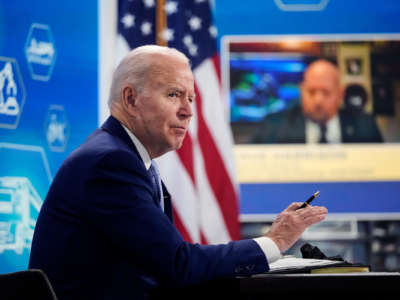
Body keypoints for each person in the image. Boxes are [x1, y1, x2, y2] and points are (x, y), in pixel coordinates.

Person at [29, 45, 328, 300]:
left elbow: (164, 268)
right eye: (174, 95)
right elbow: (178, 265)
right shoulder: (110, 163)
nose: (188, 111)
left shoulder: (131, 158)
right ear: (131, 99)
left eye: (191, 98)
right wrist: (273, 242)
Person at [252, 59, 383, 144]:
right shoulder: (272, 128)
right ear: (302, 91)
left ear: (340, 94)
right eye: (311, 92)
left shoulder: (365, 127)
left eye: (326, 92)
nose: (318, 100)